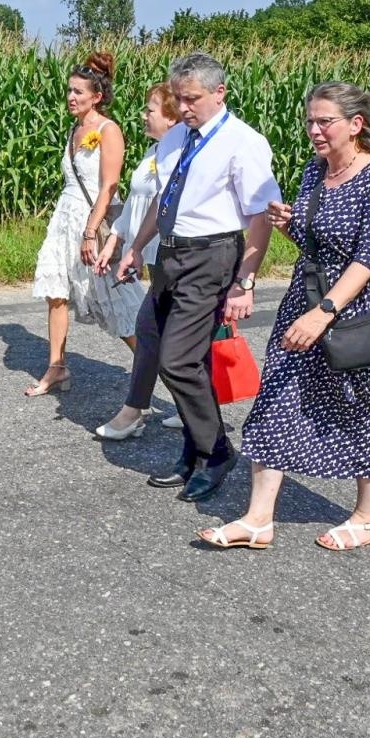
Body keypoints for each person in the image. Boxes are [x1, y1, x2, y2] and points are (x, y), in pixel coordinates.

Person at [198, 82, 370, 552]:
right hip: (306, 300)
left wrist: (324, 313)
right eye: (310, 121)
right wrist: (290, 227)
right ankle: (258, 519)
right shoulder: (315, 171)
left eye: (325, 121)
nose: (314, 131)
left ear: (355, 124)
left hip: (358, 309)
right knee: (277, 397)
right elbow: (318, 245)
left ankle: (368, 517)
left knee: (366, 404)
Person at [117, 53, 282, 502]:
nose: (184, 107)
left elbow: (261, 214)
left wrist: (245, 281)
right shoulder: (177, 138)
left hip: (212, 256)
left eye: (192, 98)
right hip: (170, 254)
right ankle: (193, 451)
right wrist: (136, 246)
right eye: (178, 98)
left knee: (178, 360)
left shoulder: (242, 142)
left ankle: (216, 452)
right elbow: (164, 198)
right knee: (155, 340)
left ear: (219, 93)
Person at [25, 51, 145, 396]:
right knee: (56, 292)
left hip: (95, 222)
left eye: (78, 91)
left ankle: (156, 370)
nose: (71, 97)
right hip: (65, 217)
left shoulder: (109, 130)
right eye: (69, 90)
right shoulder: (74, 129)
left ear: (97, 96)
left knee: (115, 298)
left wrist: (90, 233)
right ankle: (57, 367)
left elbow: (109, 186)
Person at [92, 82, 180, 438]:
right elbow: (133, 204)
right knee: (162, 333)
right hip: (149, 252)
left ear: (172, 117)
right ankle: (192, 410)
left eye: (150, 110)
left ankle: (135, 412)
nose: (143, 115)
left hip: (169, 255)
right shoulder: (154, 152)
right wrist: (114, 241)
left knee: (152, 331)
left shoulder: (177, 156)